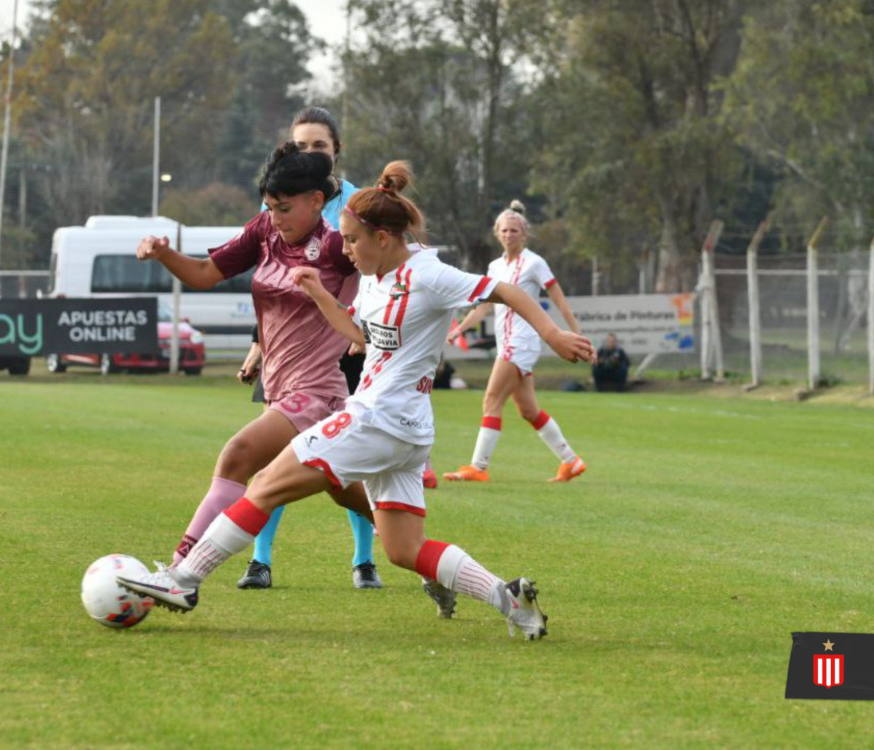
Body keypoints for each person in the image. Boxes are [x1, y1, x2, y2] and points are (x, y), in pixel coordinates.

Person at [118, 162, 595, 640]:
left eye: (350, 240)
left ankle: (183, 581)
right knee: (404, 549)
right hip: (405, 430)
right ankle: (509, 599)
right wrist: (319, 292)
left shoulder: (428, 273)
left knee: (263, 483)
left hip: (378, 419)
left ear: (383, 236)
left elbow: (505, 290)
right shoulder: (374, 275)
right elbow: (359, 334)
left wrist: (553, 332)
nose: (343, 249)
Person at [138, 141, 382, 592]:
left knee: (237, 456)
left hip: (318, 395)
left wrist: (371, 333)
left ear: (317, 201)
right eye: (269, 207)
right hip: (281, 390)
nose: (275, 217)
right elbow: (205, 274)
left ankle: (179, 572)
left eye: (284, 208)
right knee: (355, 497)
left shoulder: (333, 248)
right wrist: (164, 254)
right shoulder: (263, 233)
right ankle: (424, 551)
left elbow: (385, 272)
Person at [233, 106, 381, 591]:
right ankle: (260, 559)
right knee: (273, 457)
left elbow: (382, 268)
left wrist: (367, 331)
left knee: (348, 461)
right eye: (301, 146)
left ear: (336, 152)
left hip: (349, 348)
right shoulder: (274, 205)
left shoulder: (360, 202)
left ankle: (365, 560)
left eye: (319, 145)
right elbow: (270, 280)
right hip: (288, 353)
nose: (310, 153)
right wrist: (257, 345)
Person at [443, 201, 588, 484]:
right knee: (528, 410)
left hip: (521, 342)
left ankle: (478, 466)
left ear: (524, 233)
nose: (509, 234)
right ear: (497, 233)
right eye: (505, 230)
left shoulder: (534, 262)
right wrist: (460, 328)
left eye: (514, 230)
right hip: (508, 341)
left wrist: (574, 331)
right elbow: (484, 306)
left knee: (491, 399)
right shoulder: (495, 266)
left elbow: (558, 298)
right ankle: (571, 461)